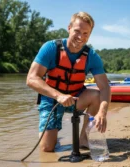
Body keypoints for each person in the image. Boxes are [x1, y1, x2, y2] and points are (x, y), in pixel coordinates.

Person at [26, 11, 111, 152]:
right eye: (77, 31)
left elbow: (105, 87)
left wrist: (102, 112)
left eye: (85, 33)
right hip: (52, 100)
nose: (80, 37)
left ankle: (84, 137)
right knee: (47, 148)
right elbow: (31, 79)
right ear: (69, 28)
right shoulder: (50, 48)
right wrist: (58, 96)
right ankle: (53, 136)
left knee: (96, 96)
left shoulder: (92, 56)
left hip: (76, 97)